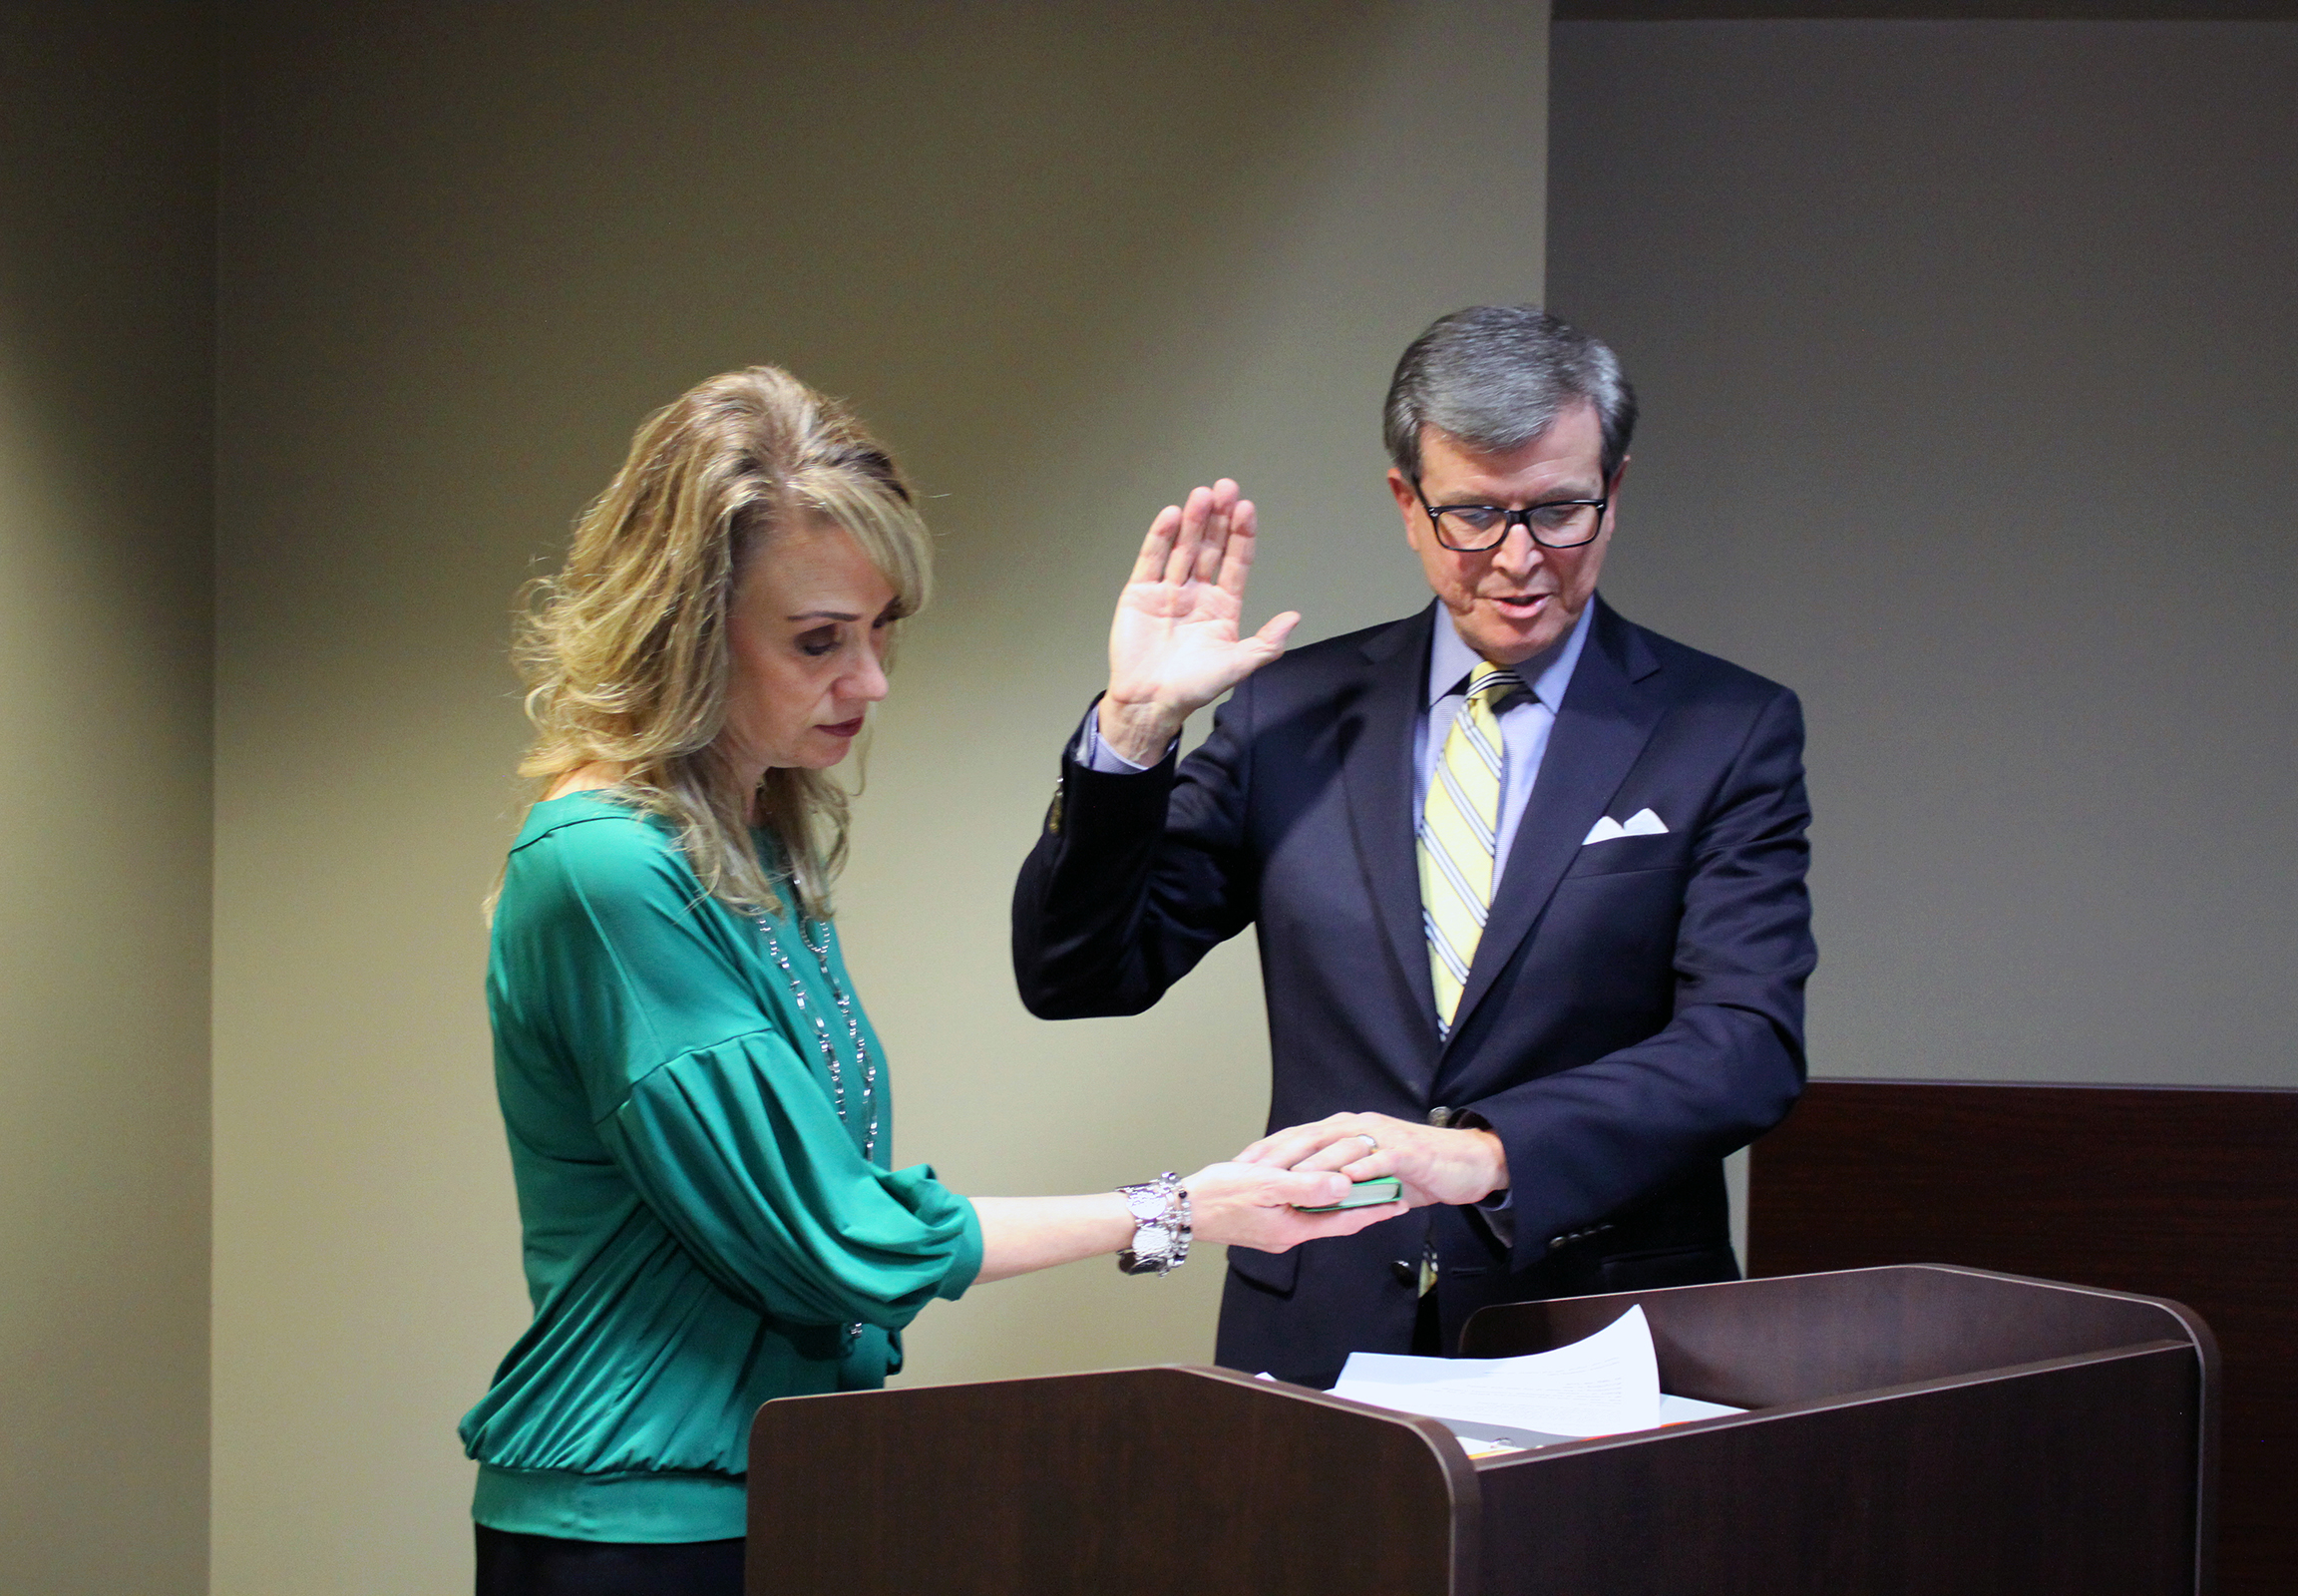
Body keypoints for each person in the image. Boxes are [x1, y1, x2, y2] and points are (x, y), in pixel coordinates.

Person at [458, 366, 1401, 1596]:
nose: (872, 679)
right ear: (684, 628)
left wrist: (1135, 718)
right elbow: (834, 1237)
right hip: (630, 1533)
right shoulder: (605, 865)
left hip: (784, 1479)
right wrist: (1181, 1207)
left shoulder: (757, 836)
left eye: (881, 625)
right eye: (818, 640)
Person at [1013, 305, 1816, 1387]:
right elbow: (1078, 974)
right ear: (1407, 503)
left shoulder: (1725, 727)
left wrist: (1488, 1154)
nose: (1519, 561)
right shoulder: (1290, 714)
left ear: (1613, 492)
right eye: (1474, 516)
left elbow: (1745, 1043)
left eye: (1559, 511)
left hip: (1599, 1326)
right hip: (1315, 1322)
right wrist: (1135, 727)